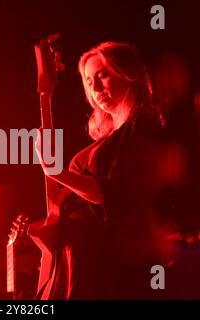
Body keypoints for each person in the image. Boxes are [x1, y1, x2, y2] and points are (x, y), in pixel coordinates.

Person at [35, 42, 172, 299]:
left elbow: (117, 194)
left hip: (111, 268)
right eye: (89, 81)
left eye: (103, 75)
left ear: (127, 72)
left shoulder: (142, 124)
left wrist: (59, 173)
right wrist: (46, 97)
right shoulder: (105, 141)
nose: (95, 87)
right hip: (83, 264)